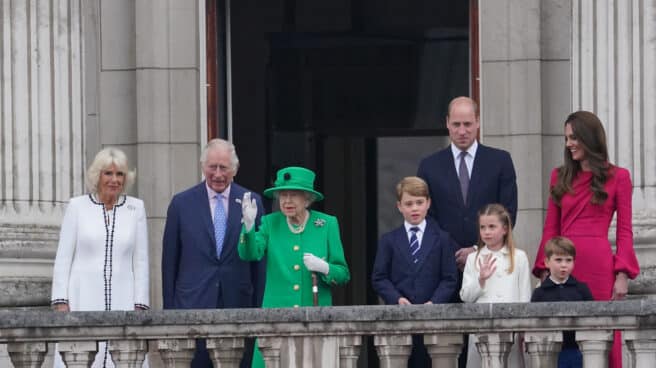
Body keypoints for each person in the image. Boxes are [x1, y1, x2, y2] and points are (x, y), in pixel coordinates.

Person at [532, 111, 640, 368]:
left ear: (589, 138)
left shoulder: (619, 177)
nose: (568, 144)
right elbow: (551, 227)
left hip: (599, 267)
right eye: (566, 138)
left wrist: (622, 273)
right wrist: (545, 268)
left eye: (573, 137)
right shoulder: (559, 176)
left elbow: (625, 230)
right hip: (564, 264)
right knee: (564, 338)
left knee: (602, 334)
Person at [417, 96, 518, 367]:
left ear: (478, 124)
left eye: (468, 124)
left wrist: (477, 250)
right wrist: (454, 251)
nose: (463, 131)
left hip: (489, 265)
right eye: (457, 124)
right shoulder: (429, 165)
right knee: (446, 346)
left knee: (486, 347)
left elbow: (508, 211)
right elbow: (427, 216)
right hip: (444, 268)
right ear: (447, 125)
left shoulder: (500, 161)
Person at [162, 138, 265, 368]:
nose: (218, 174)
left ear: (235, 170)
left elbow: (259, 263)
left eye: (224, 168)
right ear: (203, 166)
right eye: (212, 167)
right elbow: (169, 263)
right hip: (192, 306)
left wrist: (259, 310)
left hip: (238, 306)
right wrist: (169, 315)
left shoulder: (251, 201)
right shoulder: (181, 203)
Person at [239, 166, 350, 367]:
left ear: (307, 198)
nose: (287, 201)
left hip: (315, 322)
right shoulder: (270, 223)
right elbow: (250, 253)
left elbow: (343, 274)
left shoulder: (326, 224)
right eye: (283, 195)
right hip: (275, 320)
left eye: (294, 195)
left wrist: (325, 268)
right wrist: (248, 226)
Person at [51, 147, 149, 368]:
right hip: (82, 297)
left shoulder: (136, 208)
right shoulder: (77, 207)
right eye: (108, 173)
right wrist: (60, 301)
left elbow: (141, 261)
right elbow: (63, 257)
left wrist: (140, 304)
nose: (114, 180)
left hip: (123, 299)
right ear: (98, 175)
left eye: (120, 174)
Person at [372, 176, 458, 367]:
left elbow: (449, 278)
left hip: (434, 320)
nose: (414, 208)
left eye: (419, 202)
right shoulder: (389, 240)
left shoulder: (442, 239)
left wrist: (434, 302)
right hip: (400, 320)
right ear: (399, 206)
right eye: (408, 203)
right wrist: (396, 298)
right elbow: (379, 277)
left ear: (428, 203)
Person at [460, 203, 531, 368]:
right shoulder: (473, 258)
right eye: (483, 227)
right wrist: (481, 280)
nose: (487, 232)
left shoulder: (519, 257)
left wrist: (522, 331)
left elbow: (524, 298)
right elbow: (465, 297)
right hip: (480, 330)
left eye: (492, 227)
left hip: (510, 329)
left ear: (504, 229)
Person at [531, 236, 593, 368]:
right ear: (547, 262)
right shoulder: (540, 293)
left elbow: (592, 320)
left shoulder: (581, 289)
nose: (564, 265)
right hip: (548, 351)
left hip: (577, 350)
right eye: (558, 260)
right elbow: (533, 325)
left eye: (568, 260)